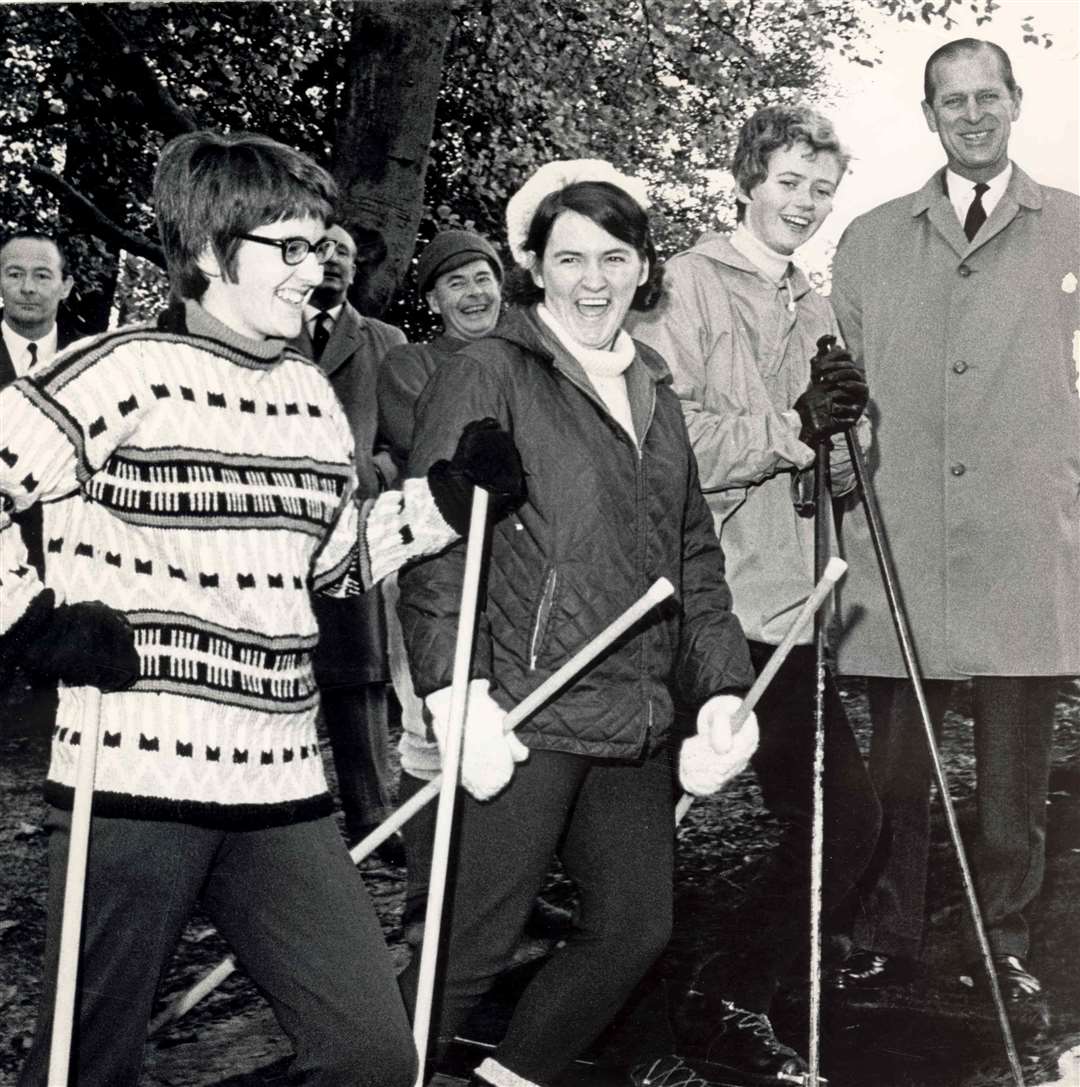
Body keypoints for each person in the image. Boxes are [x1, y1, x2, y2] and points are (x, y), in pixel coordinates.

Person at [0, 129, 523, 1087]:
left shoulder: (305, 397)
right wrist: (31, 620)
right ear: (206, 253)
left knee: (372, 1055)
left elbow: (329, 563)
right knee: (82, 1068)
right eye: (289, 246)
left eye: (321, 247)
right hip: (134, 772)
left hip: (278, 784)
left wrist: (443, 503)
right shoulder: (116, 372)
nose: (313, 271)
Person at [396, 159, 758, 1087]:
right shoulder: (490, 369)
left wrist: (720, 687)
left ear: (644, 267)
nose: (592, 280)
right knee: (467, 948)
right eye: (569, 259)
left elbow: (694, 560)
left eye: (613, 256)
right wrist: (454, 693)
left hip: (631, 708)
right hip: (523, 708)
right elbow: (438, 547)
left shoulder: (657, 393)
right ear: (535, 267)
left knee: (634, 929)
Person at [627, 105, 879, 1085]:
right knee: (649, 825)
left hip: (788, 606)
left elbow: (840, 467)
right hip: (695, 606)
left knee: (847, 822)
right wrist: (792, 423)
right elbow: (669, 448)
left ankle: (730, 993)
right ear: (746, 179)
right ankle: (625, 1014)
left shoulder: (814, 306)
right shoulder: (682, 287)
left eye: (821, 189)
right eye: (788, 183)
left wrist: (851, 440)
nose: (805, 205)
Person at [827, 39, 1079, 1020]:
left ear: (1016, 102)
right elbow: (836, 395)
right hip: (907, 545)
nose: (971, 114)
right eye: (950, 100)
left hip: (1029, 541)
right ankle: (888, 938)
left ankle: (999, 946)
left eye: (987, 96)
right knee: (901, 766)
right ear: (927, 113)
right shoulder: (873, 239)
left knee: (1017, 776)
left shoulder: (1073, 232)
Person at [290, 221, 405, 858]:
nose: (331, 261)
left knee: (358, 672)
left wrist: (373, 473)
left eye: (344, 254)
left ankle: (373, 815)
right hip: (274, 528)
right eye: (319, 248)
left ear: (357, 271)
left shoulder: (384, 341)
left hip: (350, 528)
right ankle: (289, 827)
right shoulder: (269, 324)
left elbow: (403, 438)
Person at [1, 234, 84, 734]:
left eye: (42, 275)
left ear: (66, 286)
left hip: (68, 546)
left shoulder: (93, 359)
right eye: (14, 274)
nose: (27, 288)